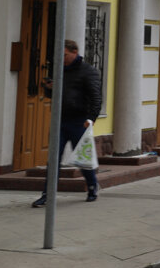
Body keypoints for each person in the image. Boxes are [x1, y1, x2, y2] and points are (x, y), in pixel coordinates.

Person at [32, 40, 102, 207]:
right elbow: (53, 95)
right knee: (53, 158)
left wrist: (91, 118)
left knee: (83, 158)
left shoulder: (88, 71)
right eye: (59, 55)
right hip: (60, 120)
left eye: (64, 55)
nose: (61, 58)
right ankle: (47, 194)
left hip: (80, 121)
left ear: (75, 51)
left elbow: (96, 97)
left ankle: (92, 187)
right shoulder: (59, 70)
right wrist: (49, 88)